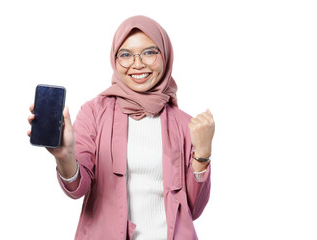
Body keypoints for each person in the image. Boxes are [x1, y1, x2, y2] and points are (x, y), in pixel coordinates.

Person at [27, 15, 214, 240]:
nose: (137, 64)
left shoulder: (186, 124)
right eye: (125, 55)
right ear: (114, 59)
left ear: (166, 55)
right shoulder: (94, 112)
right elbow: (77, 189)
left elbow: (193, 210)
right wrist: (64, 157)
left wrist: (203, 155)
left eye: (149, 52)